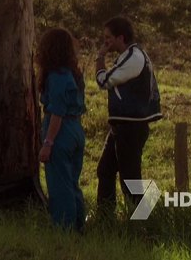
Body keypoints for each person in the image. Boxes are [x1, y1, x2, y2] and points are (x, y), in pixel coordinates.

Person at [94, 16, 163, 215]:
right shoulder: (130, 55)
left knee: (130, 179)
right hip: (122, 125)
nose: (105, 42)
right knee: (105, 170)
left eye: (108, 38)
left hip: (131, 126)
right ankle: (106, 218)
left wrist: (100, 58)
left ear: (120, 37)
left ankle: (143, 223)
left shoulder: (133, 57)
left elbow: (104, 81)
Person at [37, 27, 87, 232]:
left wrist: (48, 143)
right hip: (75, 128)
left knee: (59, 184)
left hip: (60, 130)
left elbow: (57, 112)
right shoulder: (73, 74)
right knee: (72, 181)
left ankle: (63, 229)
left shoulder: (56, 76)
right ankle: (78, 226)